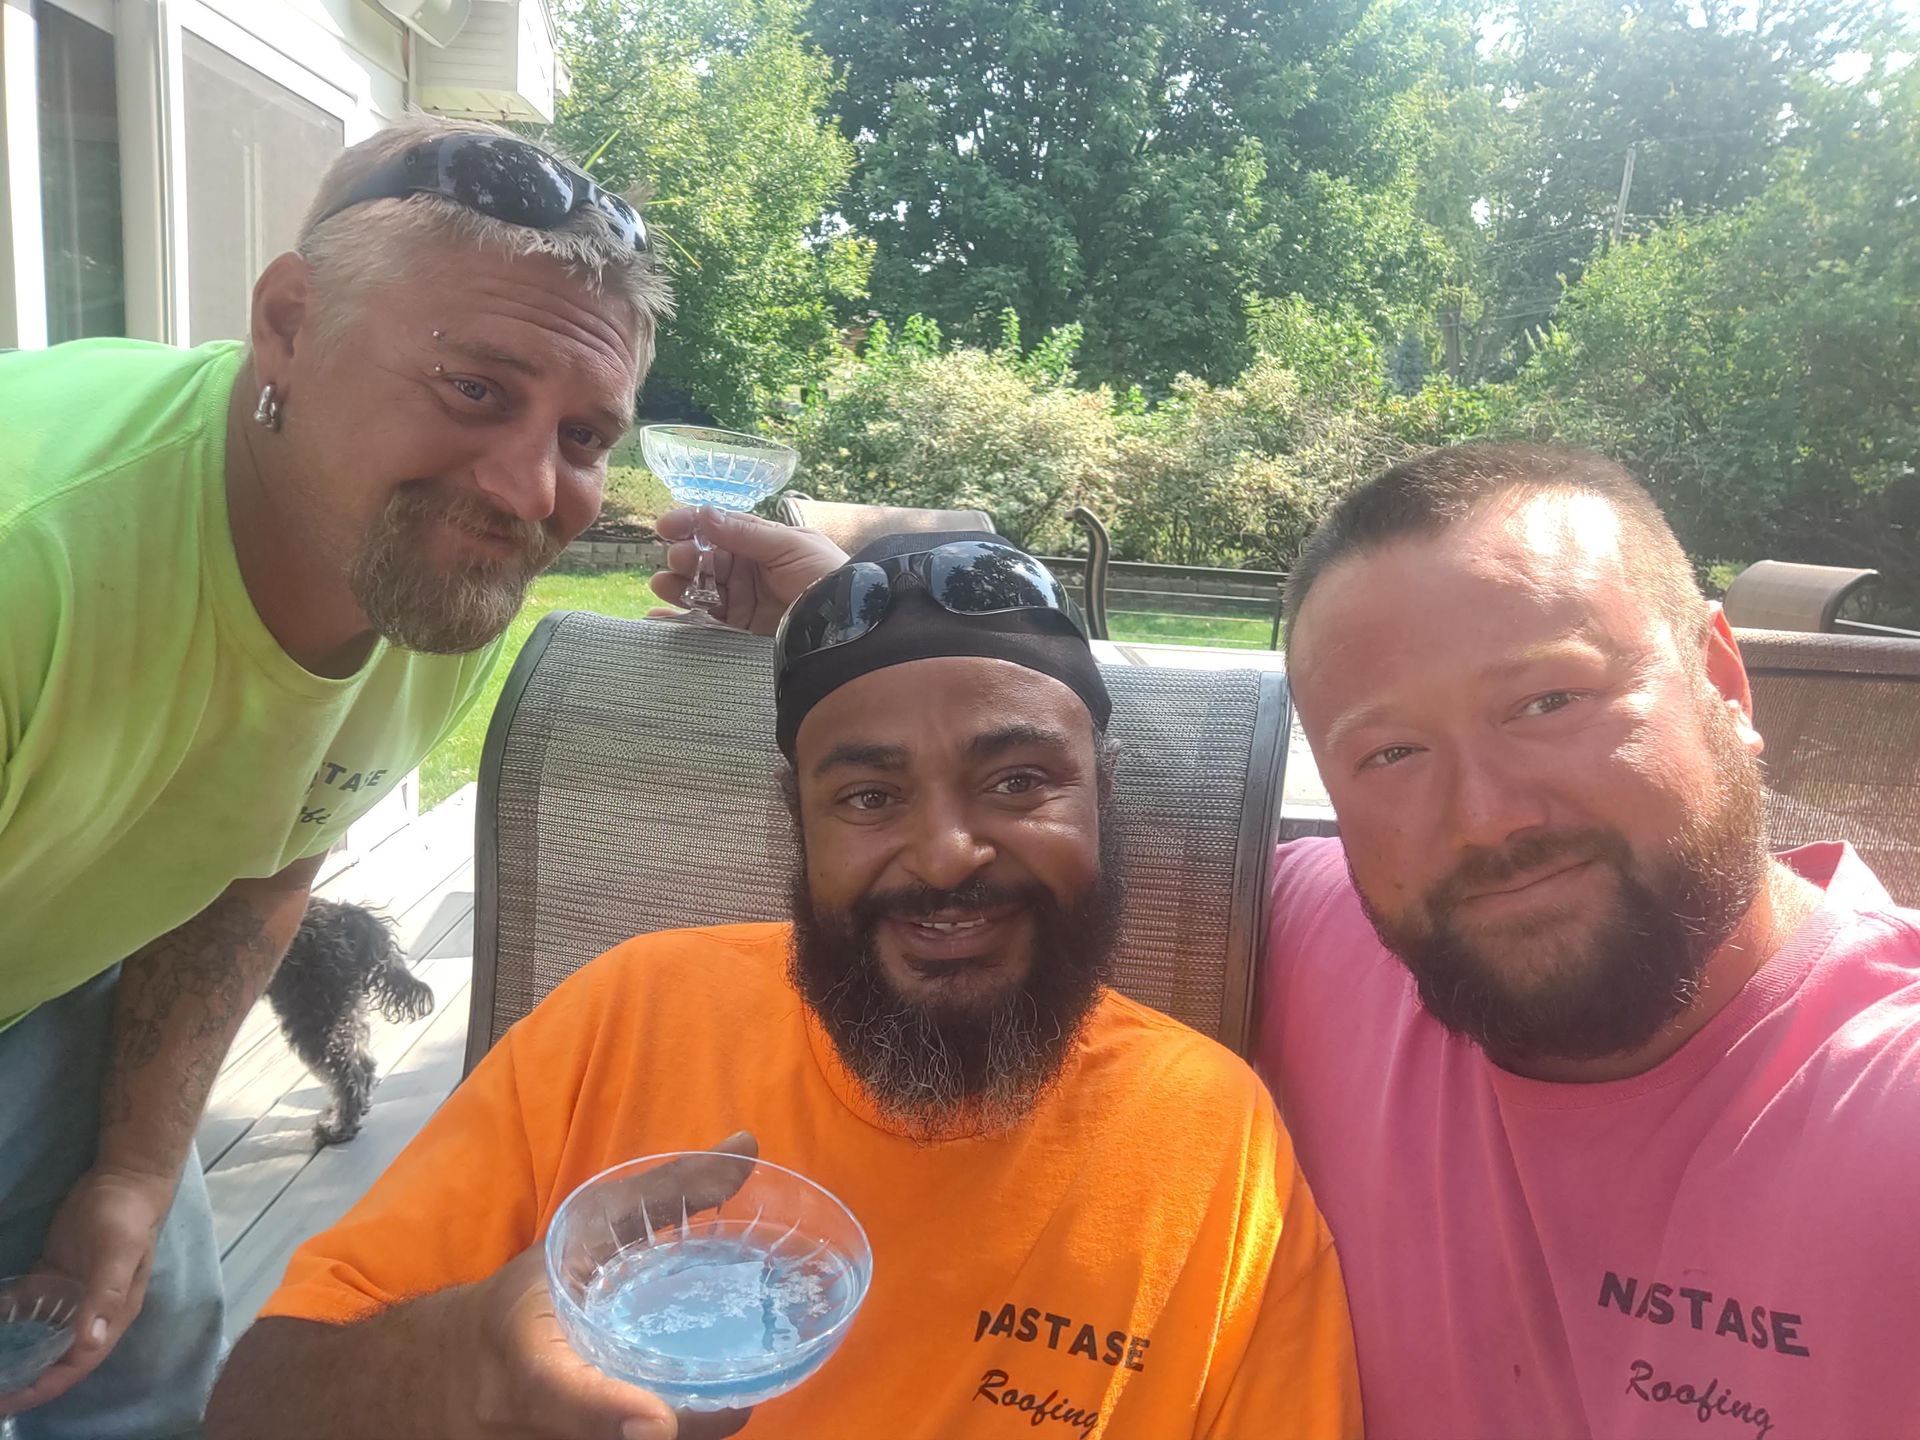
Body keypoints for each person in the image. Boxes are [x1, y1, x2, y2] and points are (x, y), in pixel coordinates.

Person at [656, 444, 1920, 1438]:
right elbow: (1016, 822)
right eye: (1390, 752)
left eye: (1550, 700)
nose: (1484, 818)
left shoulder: (1886, 1092)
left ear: (1725, 682)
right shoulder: (1326, 931)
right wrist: (858, 604)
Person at [205, 535, 1362, 1440]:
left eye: (1018, 780)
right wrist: (464, 1366)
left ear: (1101, 795)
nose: (948, 851)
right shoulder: (631, 1013)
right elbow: (257, 1405)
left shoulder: (1214, 1138)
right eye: (867, 797)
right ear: (794, 823)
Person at [0, 112, 664, 1435]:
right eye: (475, 389)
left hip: (56, 966)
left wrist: (131, 1169)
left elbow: (257, 864)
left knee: (142, 1330)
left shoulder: (434, 570)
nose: (530, 489)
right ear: (290, 325)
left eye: (585, 435)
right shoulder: (33, 561)